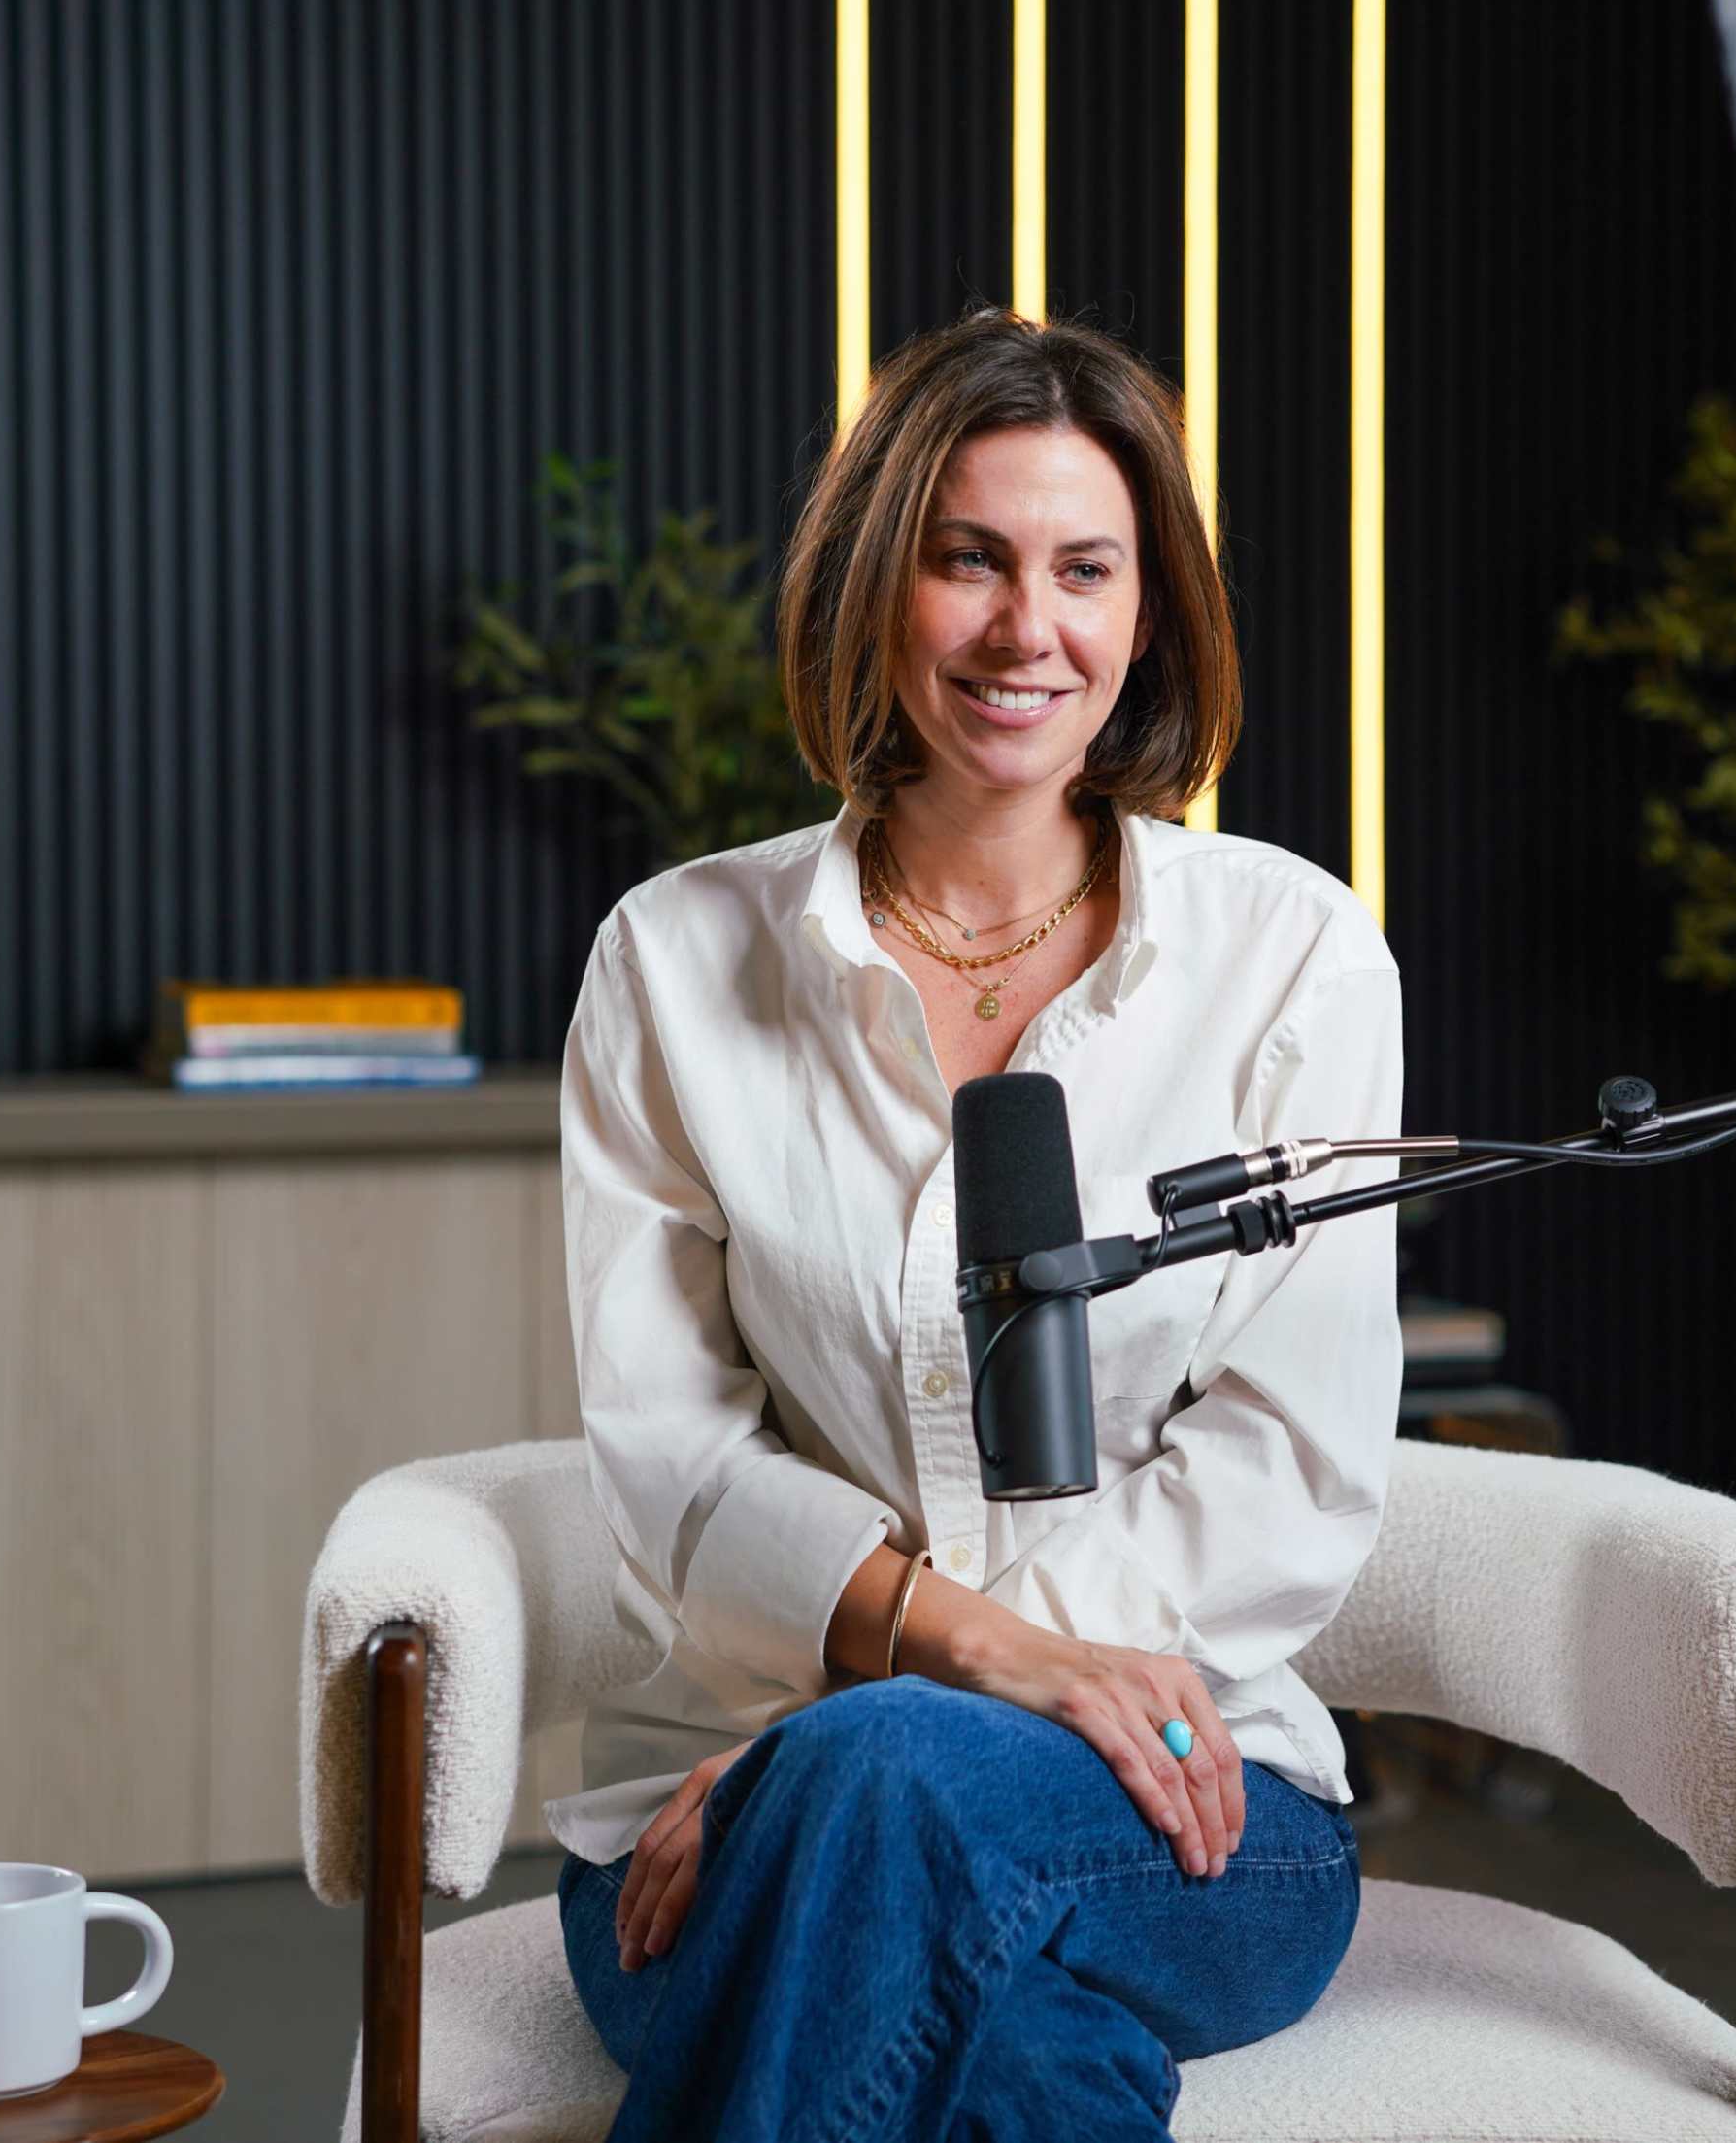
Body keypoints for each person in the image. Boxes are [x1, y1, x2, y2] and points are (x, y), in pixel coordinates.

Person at [547, 308, 1405, 2139]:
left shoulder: (1296, 957)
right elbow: (670, 1465)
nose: (1032, 628)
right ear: (881, 586)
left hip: (1190, 1809)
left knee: (875, 1787)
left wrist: (858, 1737)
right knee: (1027, 2069)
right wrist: (980, 1667)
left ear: (1148, 611)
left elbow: (1292, 1460)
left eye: (1086, 568)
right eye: (971, 559)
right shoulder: (675, 961)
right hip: (704, 1792)